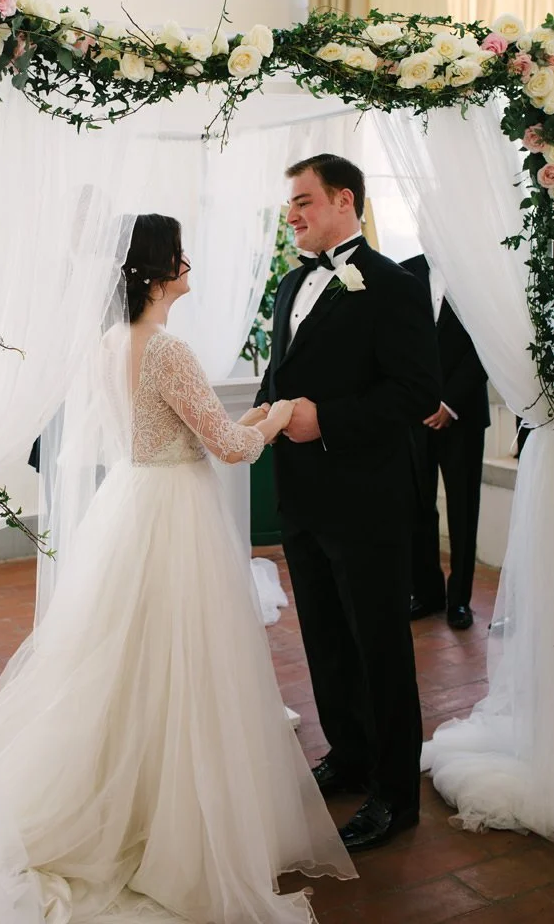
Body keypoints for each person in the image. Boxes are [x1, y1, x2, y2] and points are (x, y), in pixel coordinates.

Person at [0, 213, 355, 923]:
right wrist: (276, 415)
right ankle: (169, 822)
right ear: (155, 270)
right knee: (177, 663)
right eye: (178, 254)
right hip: (172, 511)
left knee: (123, 659)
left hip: (134, 496)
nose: (188, 263)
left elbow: (178, 434)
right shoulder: (167, 349)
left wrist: (253, 422)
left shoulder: (110, 344)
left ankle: (131, 798)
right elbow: (230, 448)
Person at [254, 155, 441, 854]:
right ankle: (349, 754)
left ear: (344, 200)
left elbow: (416, 392)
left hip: (366, 499)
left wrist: (325, 419)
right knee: (325, 641)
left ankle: (394, 795)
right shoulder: (288, 286)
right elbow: (284, 376)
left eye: (302, 202)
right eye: (289, 205)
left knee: (379, 648)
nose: (293, 215)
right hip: (302, 498)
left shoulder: (391, 284)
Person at [401, 254, 490, 631]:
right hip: (416, 416)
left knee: (463, 510)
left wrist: (449, 402)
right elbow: (398, 342)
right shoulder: (406, 272)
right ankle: (428, 592)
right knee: (419, 507)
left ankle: (460, 601)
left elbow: (487, 346)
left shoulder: (478, 275)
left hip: (463, 414)